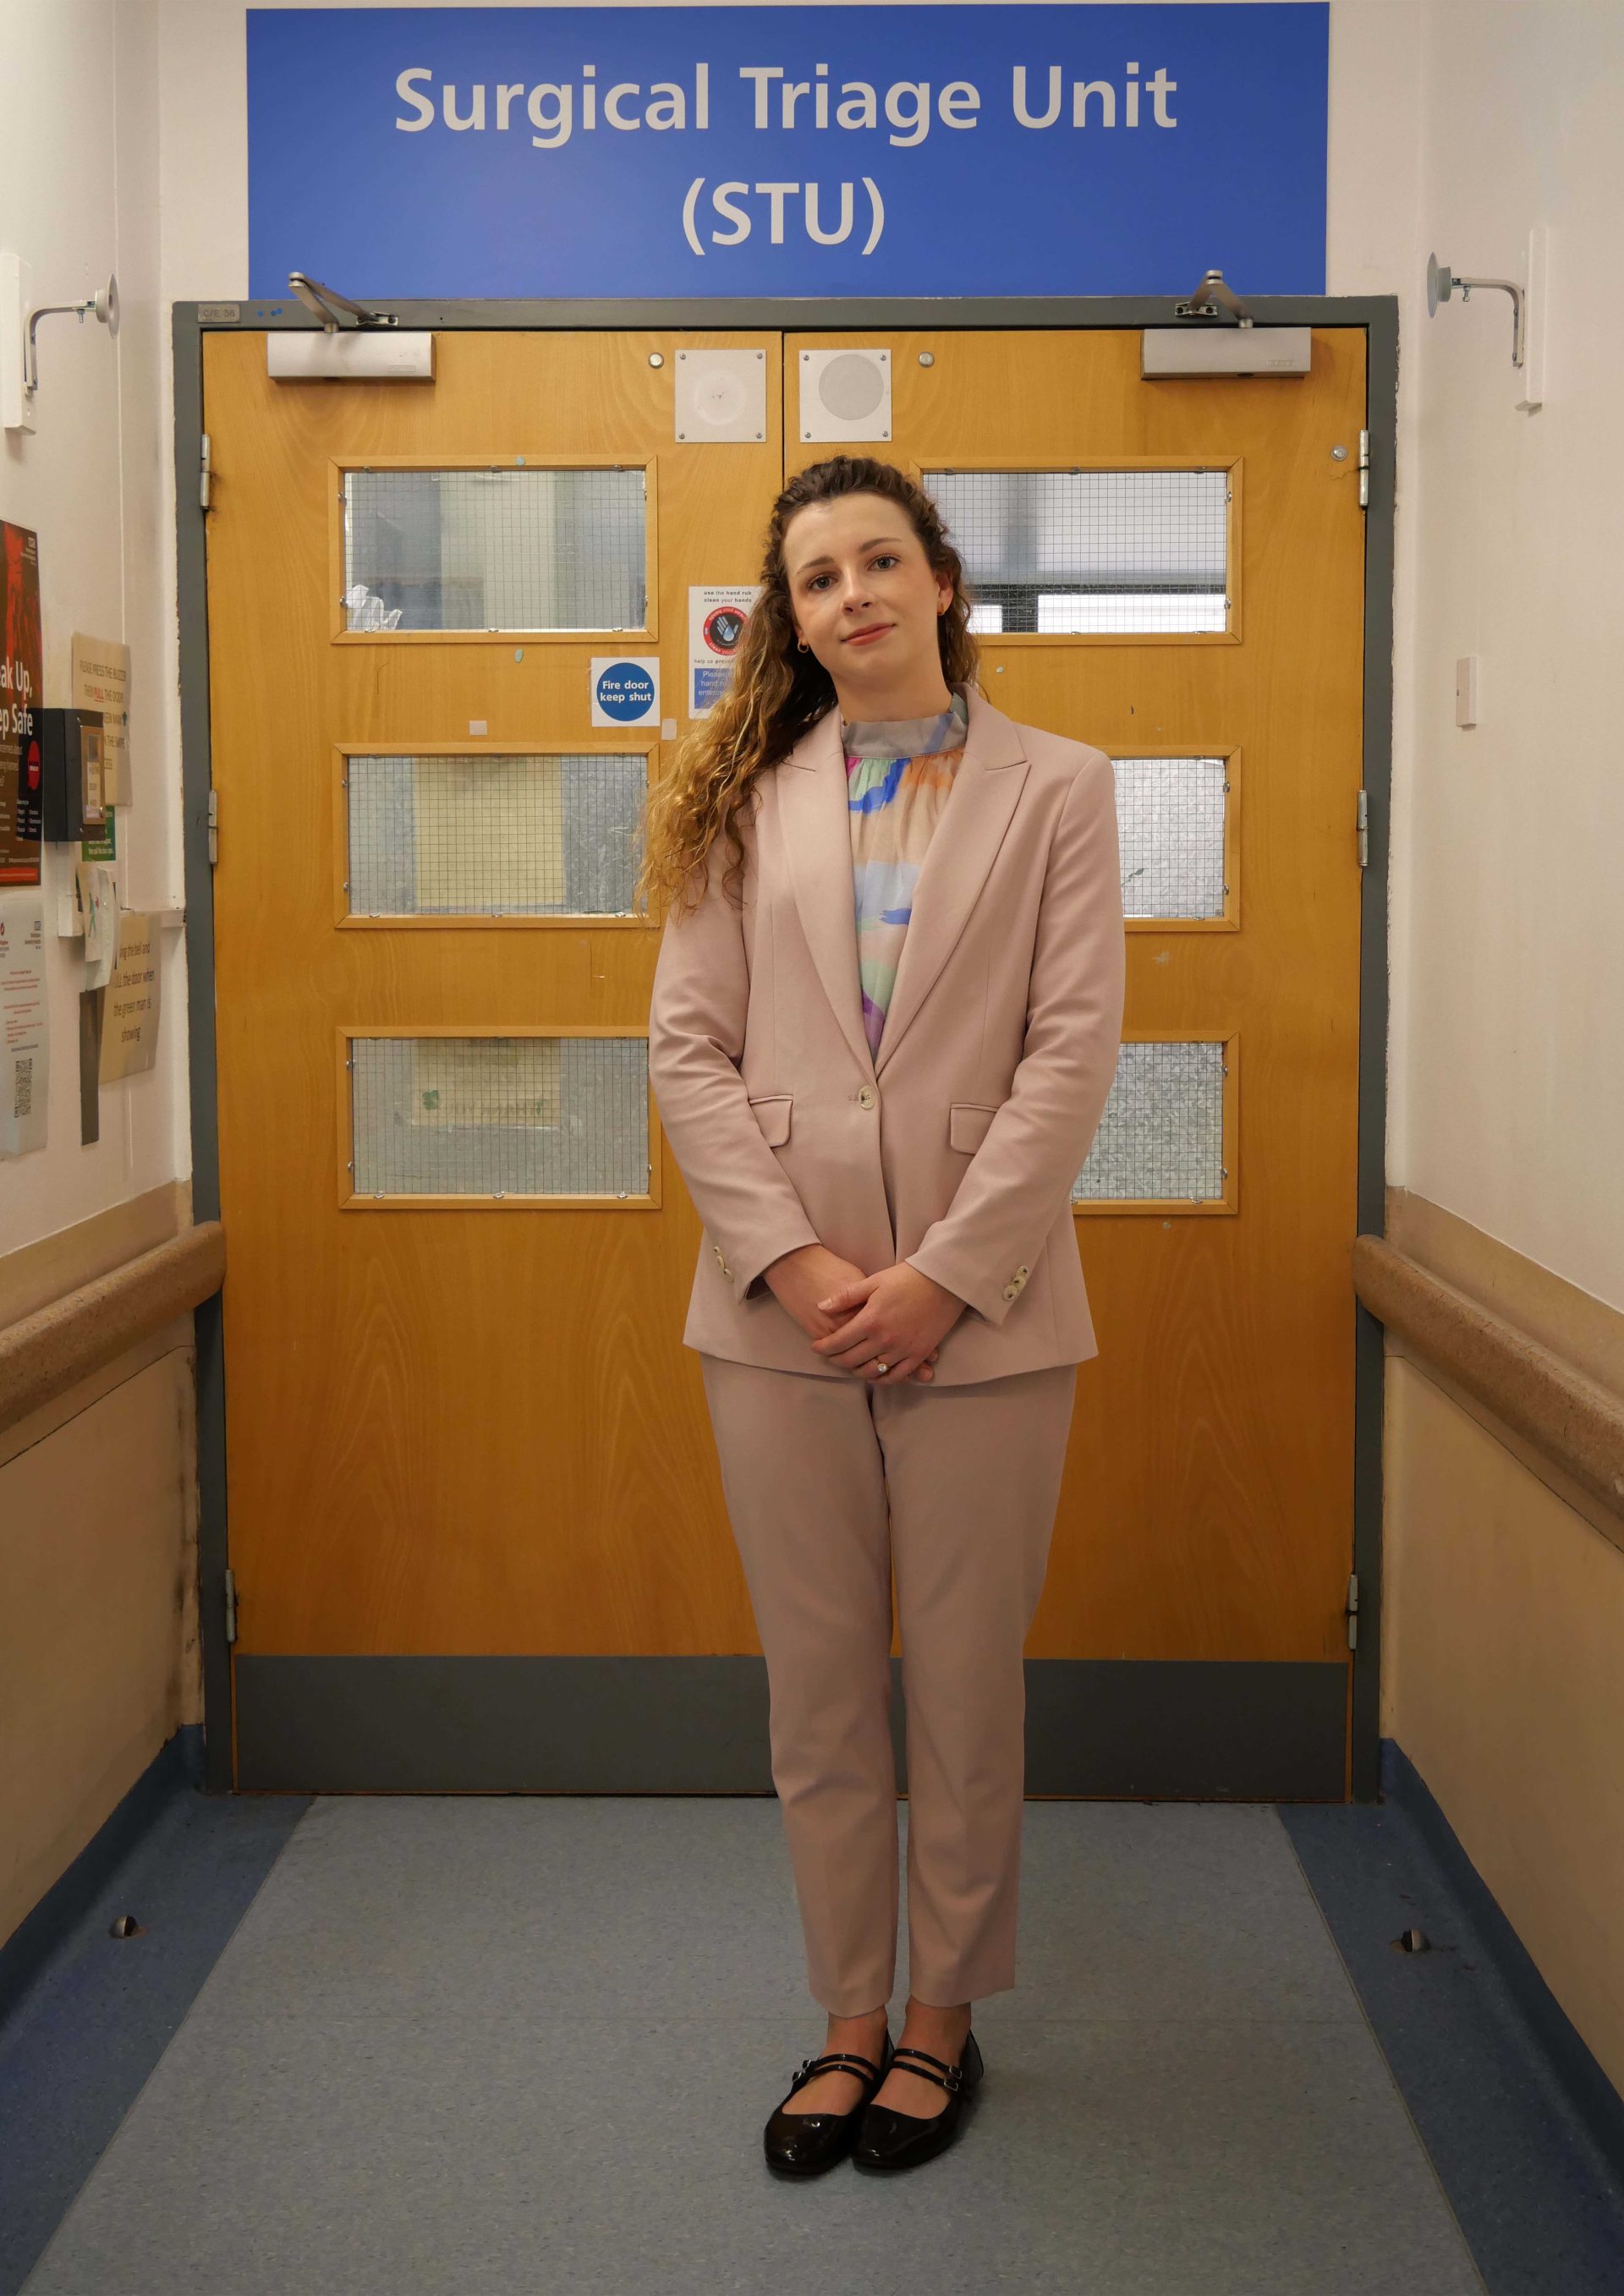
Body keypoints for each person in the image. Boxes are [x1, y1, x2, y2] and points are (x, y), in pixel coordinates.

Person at [642, 454, 1126, 2175]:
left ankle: (945, 2017)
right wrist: (790, 1257)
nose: (847, 594)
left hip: (985, 1310)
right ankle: (849, 2015)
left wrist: (941, 1273)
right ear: (790, 616)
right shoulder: (740, 793)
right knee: (823, 1686)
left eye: (876, 560)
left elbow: (1073, 1053)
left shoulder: (1061, 787)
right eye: (814, 576)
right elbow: (685, 1046)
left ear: (940, 582)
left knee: (965, 1683)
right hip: (777, 1311)